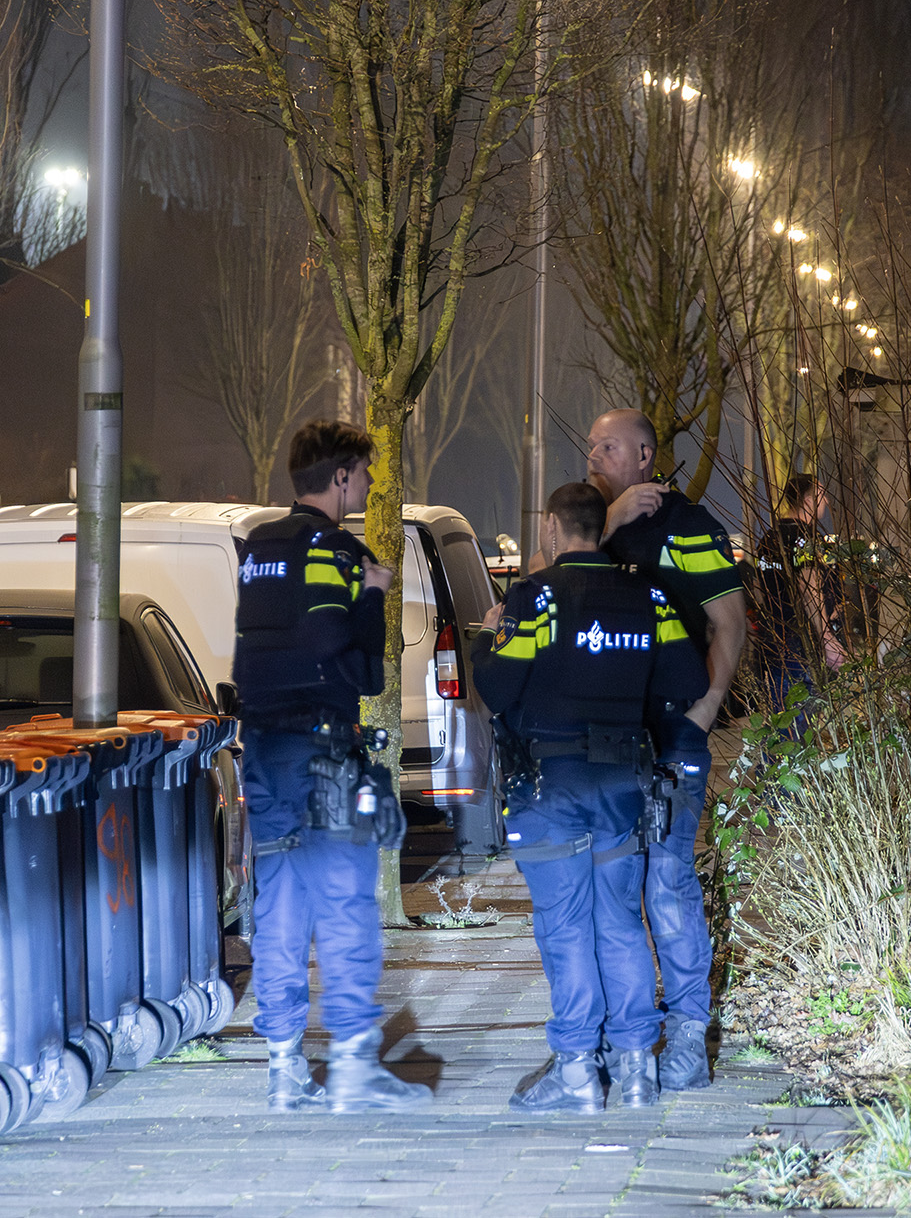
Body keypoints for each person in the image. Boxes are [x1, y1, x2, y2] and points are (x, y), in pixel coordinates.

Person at [233, 419, 432, 1114]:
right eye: (365, 474)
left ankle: (284, 1063)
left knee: (279, 902)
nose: (370, 484)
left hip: (264, 747)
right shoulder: (334, 549)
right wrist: (373, 588)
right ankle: (352, 1063)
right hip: (322, 749)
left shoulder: (258, 546)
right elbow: (341, 645)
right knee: (345, 900)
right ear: (341, 476)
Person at [468, 482, 678, 1113]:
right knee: (620, 923)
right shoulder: (648, 596)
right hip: (622, 787)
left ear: (554, 529)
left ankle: (579, 1072)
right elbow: (685, 679)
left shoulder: (535, 598)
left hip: (550, 788)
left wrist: (487, 639)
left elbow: (499, 691)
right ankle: (638, 1068)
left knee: (565, 929)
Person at [586, 408, 747, 1092]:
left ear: (646, 454)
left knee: (669, 885)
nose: (594, 455)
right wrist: (611, 521)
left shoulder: (691, 527)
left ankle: (686, 1032)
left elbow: (730, 623)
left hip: (671, 732)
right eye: (591, 445)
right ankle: (624, 1039)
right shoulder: (590, 524)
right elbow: (547, 591)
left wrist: (703, 713)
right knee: (612, 890)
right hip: (603, 739)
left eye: (610, 446)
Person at [748, 473, 843, 712]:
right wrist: (826, 637)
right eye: (822, 496)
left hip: (775, 642)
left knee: (783, 716)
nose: (827, 502)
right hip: (803, 645)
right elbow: (808, 582)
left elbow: (760, 587)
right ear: (808, 499)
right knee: (804, 721)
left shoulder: (769, 539)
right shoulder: (806, 538)